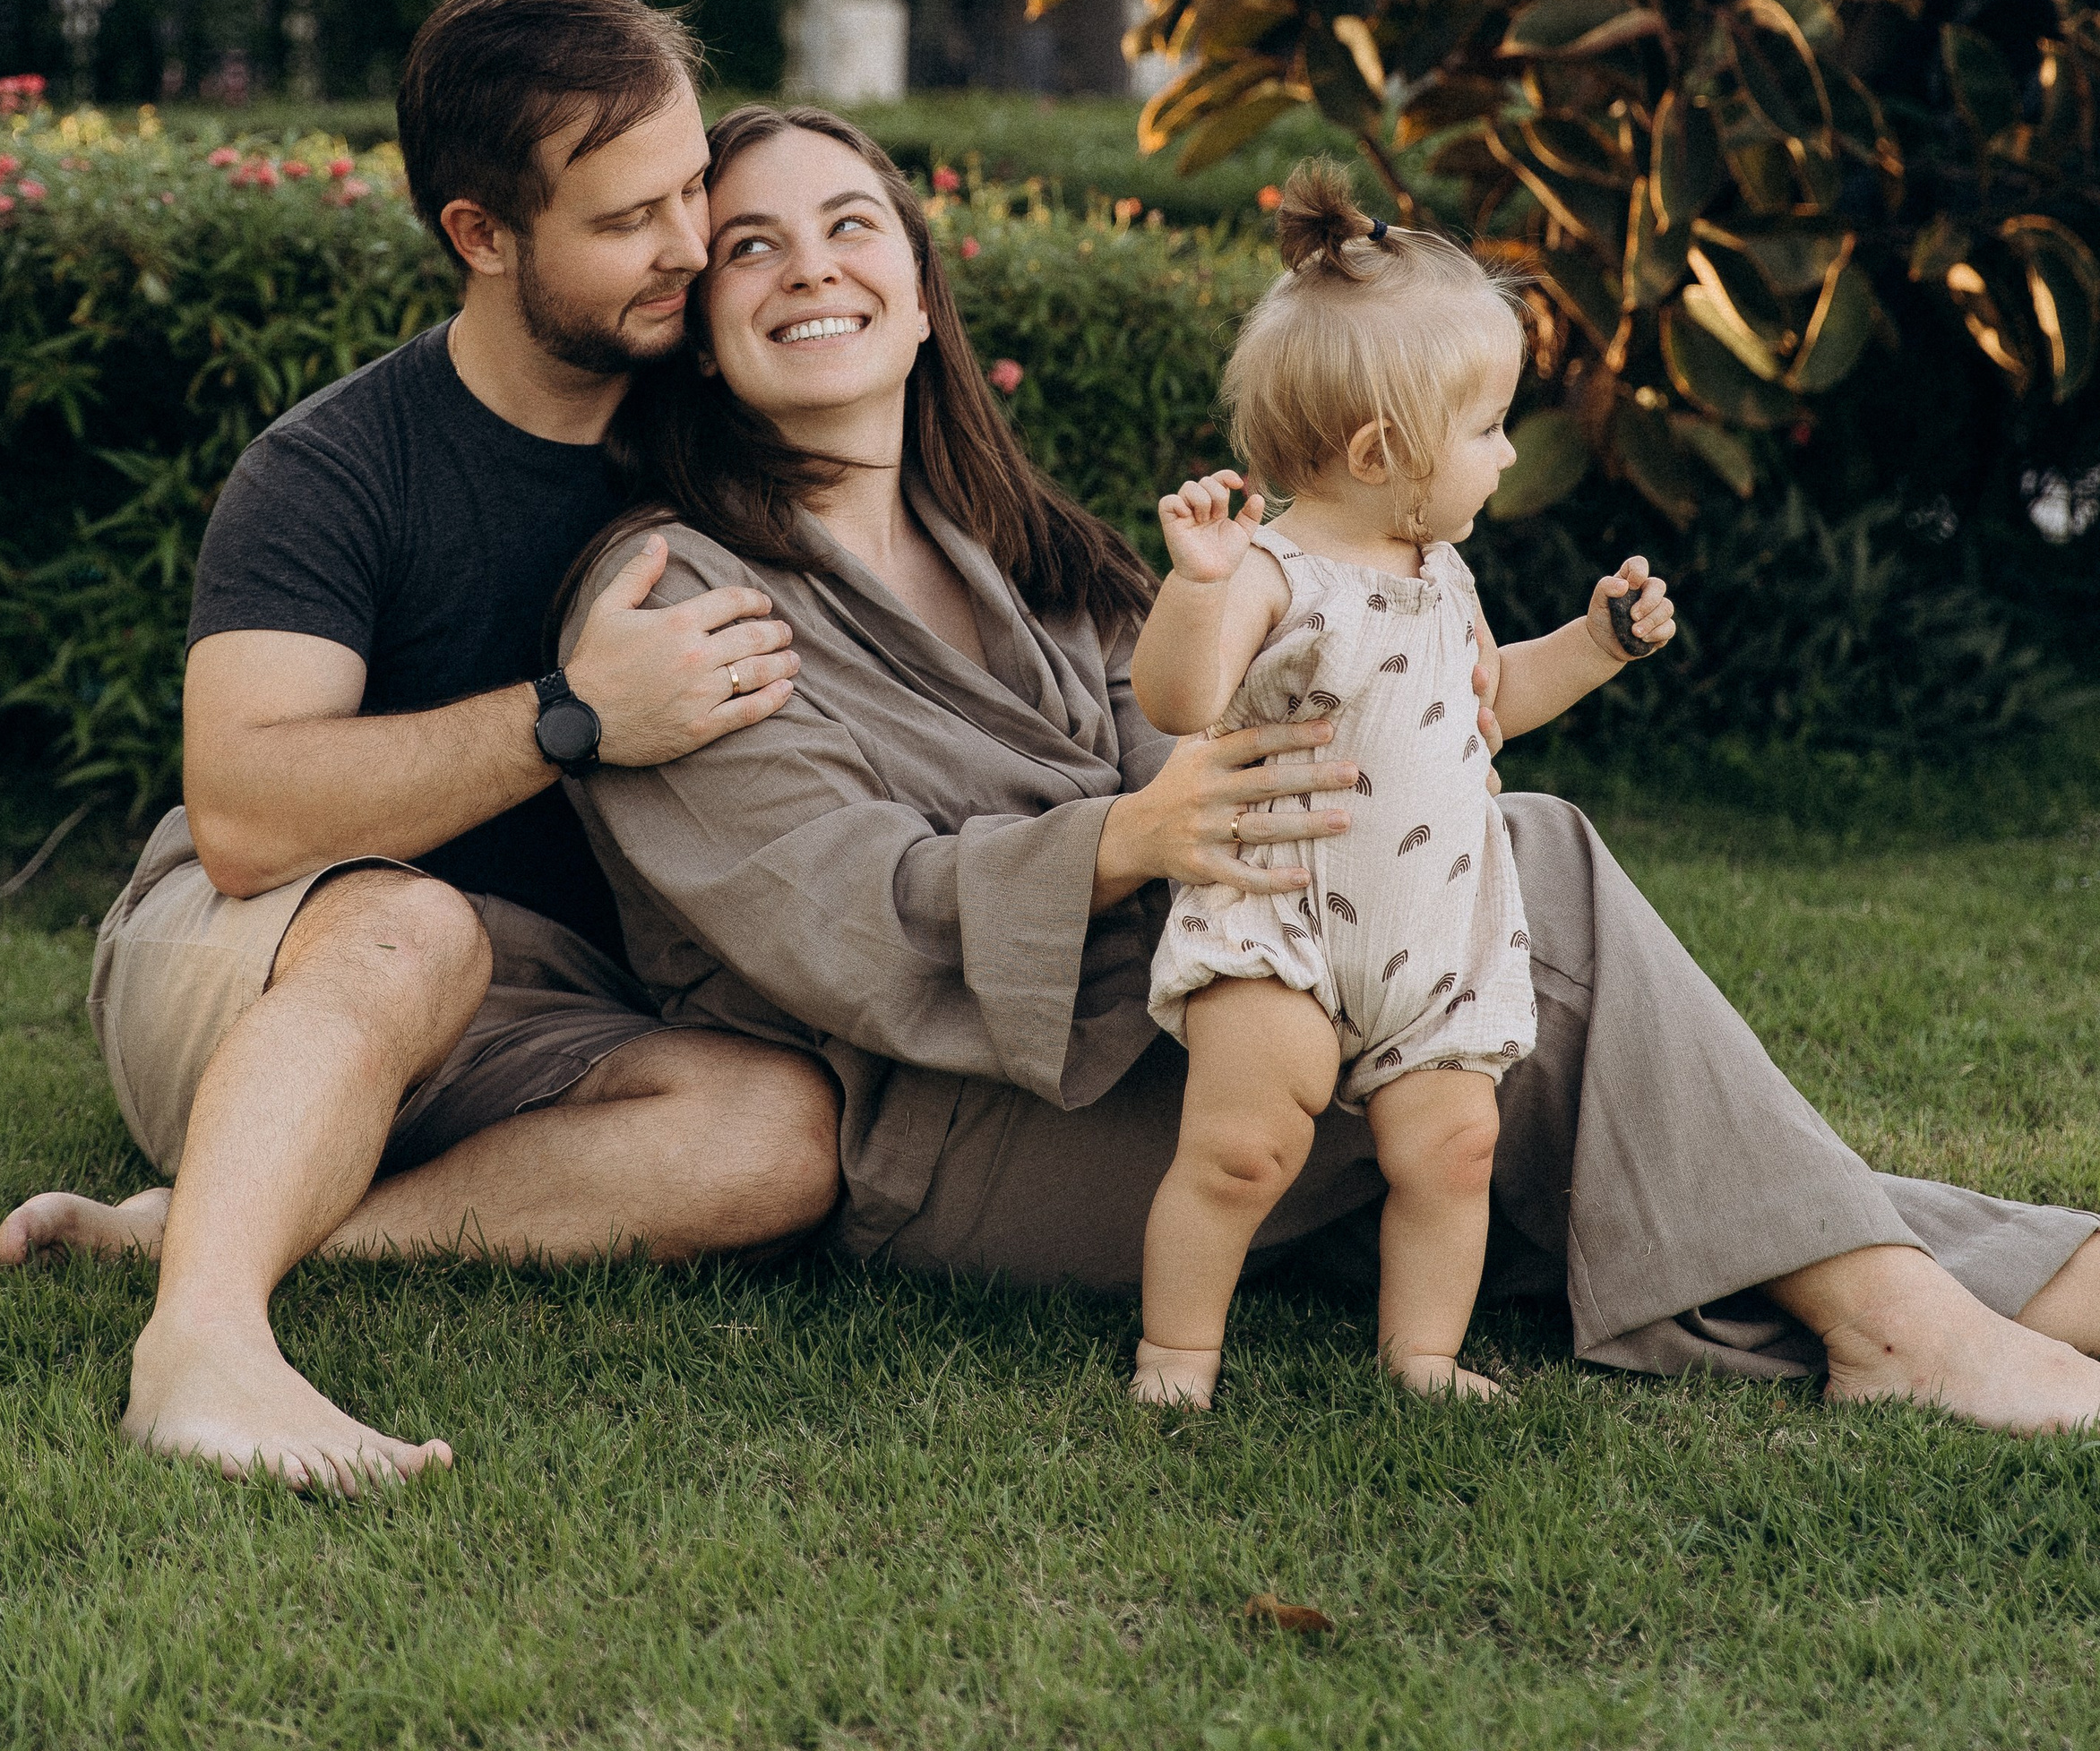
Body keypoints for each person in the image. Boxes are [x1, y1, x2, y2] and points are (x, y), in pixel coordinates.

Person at [555, 100, 2100, 1432]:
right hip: (961, 1126)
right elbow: (821, 906)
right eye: (751, 246)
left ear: (916, 280)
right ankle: (1907, 1324)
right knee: (1532, 874)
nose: (813, 263)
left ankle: (1995, 1277)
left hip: (1180, 1011)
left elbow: (1232, 740)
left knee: (1479, 1023)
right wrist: (1123, 842)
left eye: (851, 223)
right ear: (697, 318)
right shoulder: (678, 593)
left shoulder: (1016, 552)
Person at [0, 0, 842, 1493]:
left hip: (538, 1002)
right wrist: (576, 717)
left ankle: (201, 1223)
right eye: (624, 218)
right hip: (262, 941)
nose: (689, 245)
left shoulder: (716, 434)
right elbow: (246, 810)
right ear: (482, 233)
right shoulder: (334, 465)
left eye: (692, 188)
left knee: (783, 1134)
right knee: (417, 930)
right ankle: (200, 1347)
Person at [1129, 168, 1674, 1410]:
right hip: (1286, 922)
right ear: (1385, 452)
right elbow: (1177, 695)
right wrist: (1199, 584)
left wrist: (1594, 645)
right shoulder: (1277, 570)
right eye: (1488, 428)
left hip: (1434, 933)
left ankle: (1422, 1356)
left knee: (1456, 1147)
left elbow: (1492, 707)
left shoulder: (1444, 573)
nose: (1505, 453)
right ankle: (1177, 1354)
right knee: (1241, 1147)